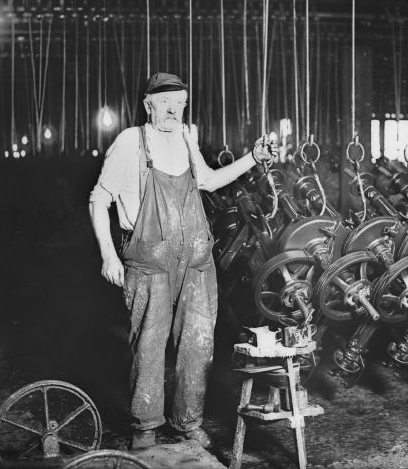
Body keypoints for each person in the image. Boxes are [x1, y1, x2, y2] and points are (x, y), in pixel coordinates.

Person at [89, 72, 277, 450]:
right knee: (149, 347)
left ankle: (187, 424)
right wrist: (109, 255)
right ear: (148, 105)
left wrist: (253, 159)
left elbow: (208, 181)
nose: (174, 108)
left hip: (196, 263)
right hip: (150, 264)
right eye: (166, 101)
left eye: (181, 101)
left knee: (198, 345)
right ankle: (144, 428)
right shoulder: (132, 141)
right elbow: (99, 199)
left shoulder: (187, 138)